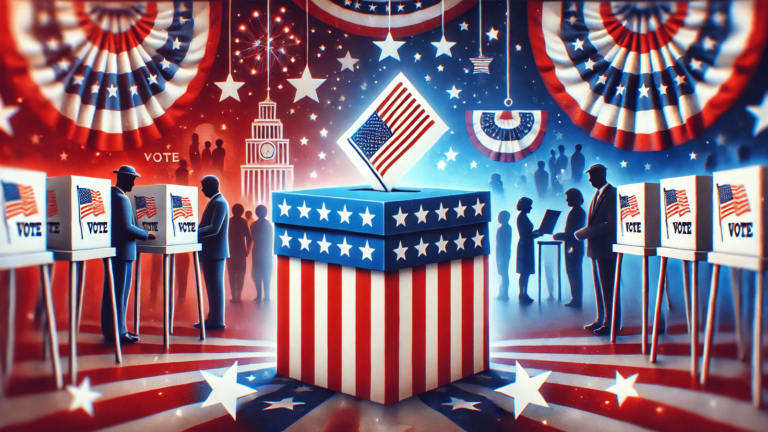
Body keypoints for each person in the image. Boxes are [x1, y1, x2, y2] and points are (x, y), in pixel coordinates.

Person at [104, 166, 154, 345]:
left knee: (113, 292)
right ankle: (118, 331)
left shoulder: (111, 195)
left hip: (115, 250)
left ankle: (116, 329)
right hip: (124, 251)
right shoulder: (121, 198)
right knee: (120, 293)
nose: (134, 182)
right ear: (124, 178)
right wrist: (146, 234)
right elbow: (127, 227)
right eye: (132, 178)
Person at [575, 164, 619, 335]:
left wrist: (586, 232)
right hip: (596, 250)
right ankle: (601, 319)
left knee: (608, 288)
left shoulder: (612, 194)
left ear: (601, 175)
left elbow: (611, 224)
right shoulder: (598, 194)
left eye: (591, 175)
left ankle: (611, 323)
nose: (589, 179)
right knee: (599, 288)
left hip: (606, 250)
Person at [196, 176, 229, 330]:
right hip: (212, 251)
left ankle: (217, 321)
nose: (202, 190)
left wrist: (193, 232)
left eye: (204, 187)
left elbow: (214, 228)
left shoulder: (219, 203)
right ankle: (213, 319)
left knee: (215, 287)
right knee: (212, 286)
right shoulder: (216, 202)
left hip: (214, 252)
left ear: (211, 186)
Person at [553, 188, 586, 307]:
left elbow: (573, 234)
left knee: (574, 273)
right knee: (573, 273)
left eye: (568, 197)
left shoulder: (577, 212)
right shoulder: (577, 211)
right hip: (573, 248)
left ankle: (576, 299)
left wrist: (560, 236)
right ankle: (576, 298)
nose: (566, 199)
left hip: (574, 248)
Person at [516, 197, 542, 304]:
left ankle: (523, 293)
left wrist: (536, 233)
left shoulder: (522, 217)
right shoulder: (522, 217)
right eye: (529, 205)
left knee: (525, 272)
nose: (531, 207)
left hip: (526, 245)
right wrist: (536, 234)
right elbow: (526, 234)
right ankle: (522, 294)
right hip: (525, 246)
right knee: (524, 272)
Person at [227, 204, 252, 303]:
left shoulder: (228, 222)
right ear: (242, 212)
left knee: (232, 274)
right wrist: (247, 251)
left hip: (230, 251)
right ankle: (239, 296)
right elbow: (249, 239)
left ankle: (233, 297)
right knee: (241, 274)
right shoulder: (244, 222)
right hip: (241, 251)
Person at [250, 205, 274, 301]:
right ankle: (267, 296)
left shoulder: (253, 225)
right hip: (267, 252)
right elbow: (270, 239)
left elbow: (254, 238)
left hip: (257, 251)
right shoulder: (269, 225)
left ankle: (259, 296)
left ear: (256, 213)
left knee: (257, 274)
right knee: (267, 274)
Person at [496, 211, 513, 300]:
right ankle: (502, 292)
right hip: (502, 254)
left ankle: (505, 293)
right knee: (503, 273)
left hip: (503, 254)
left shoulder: (504, 229)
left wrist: (500, 255)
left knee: (504, 274)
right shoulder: (506, 228)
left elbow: (502, 244)